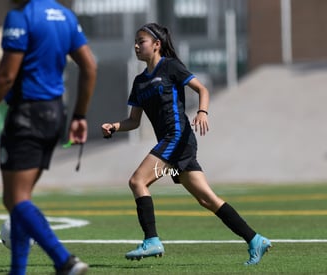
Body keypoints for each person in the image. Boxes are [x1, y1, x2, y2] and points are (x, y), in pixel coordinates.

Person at [101, 23, 271, 266]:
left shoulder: (170, 66)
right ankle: (255, 240)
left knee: (137, 181)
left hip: (178, 138)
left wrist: (202, 112)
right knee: (207, 199)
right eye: (135, 42)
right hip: (174, 147)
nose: (137, 46)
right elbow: (133, 121)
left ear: (157, 44)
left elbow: (202, 89)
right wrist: (115, 126)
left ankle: (151, 240)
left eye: (142, 41)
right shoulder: (139, 82)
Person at [0, 0, 97, 274]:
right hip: (55, 114)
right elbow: (90, 67)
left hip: (27, 115)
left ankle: (64, 260)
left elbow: (5, 78)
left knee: (15, 199)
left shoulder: (21, 17)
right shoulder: (65, 16)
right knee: (21, 199)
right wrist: (79, 116)